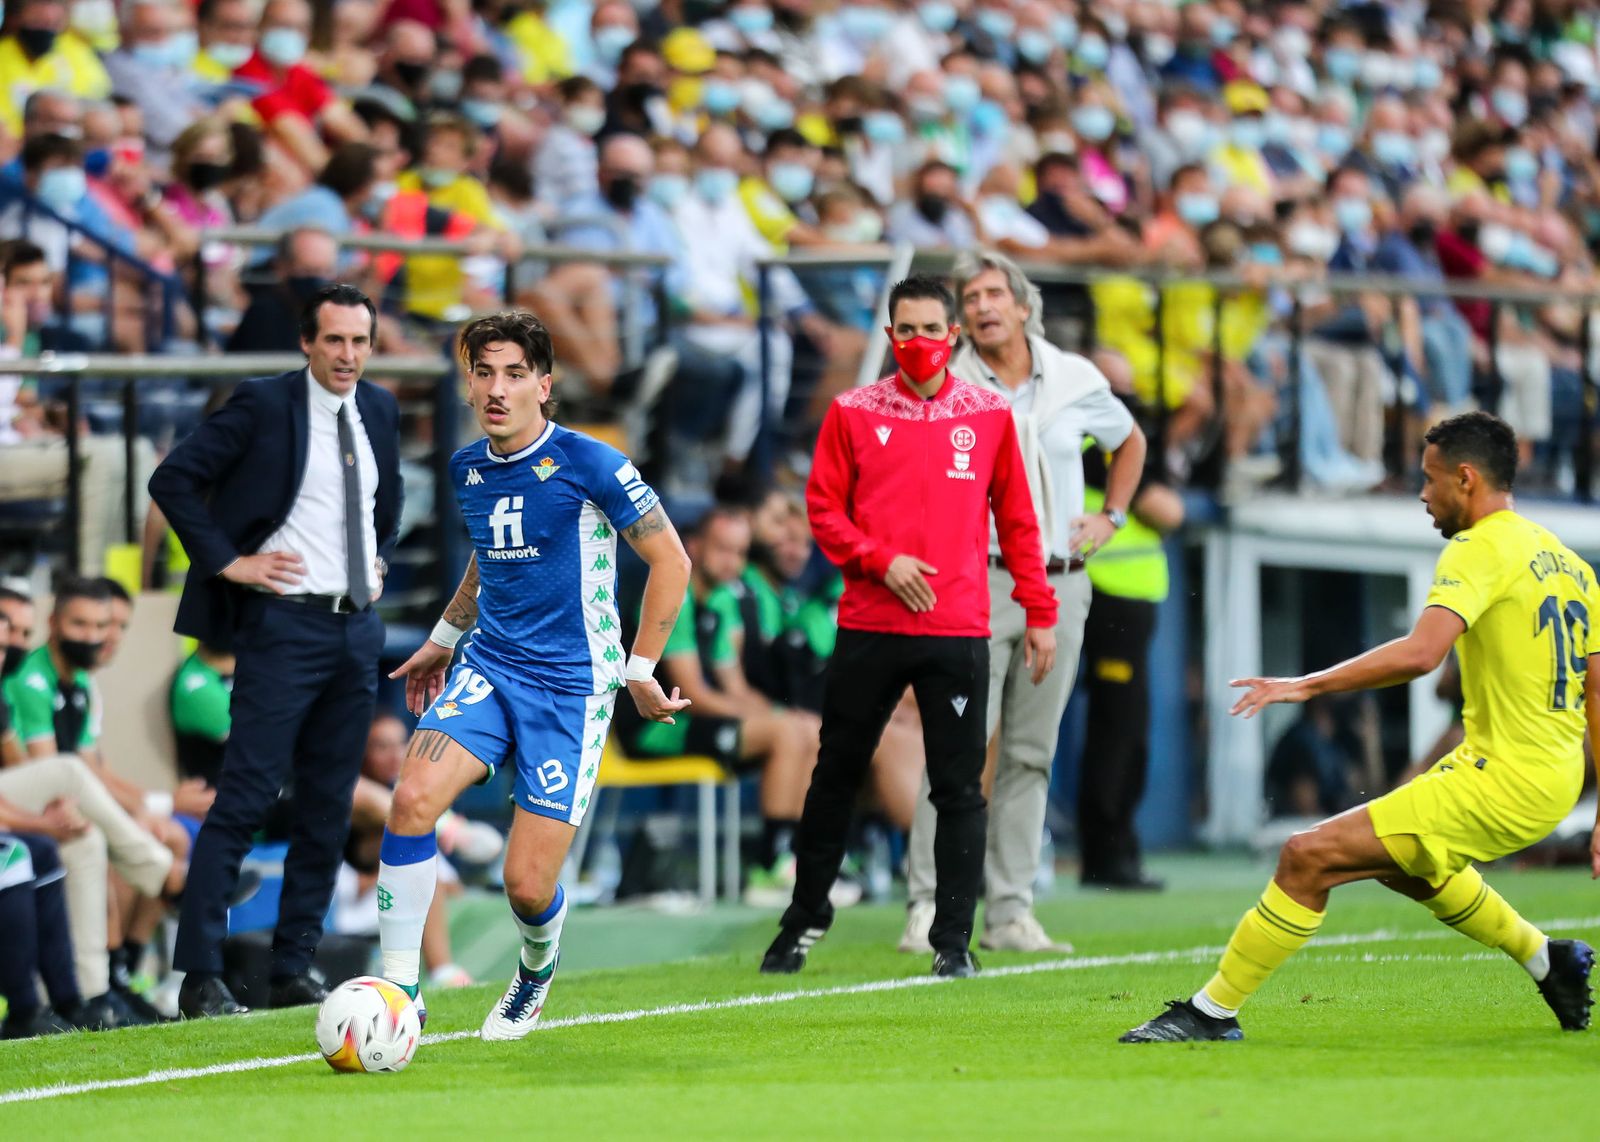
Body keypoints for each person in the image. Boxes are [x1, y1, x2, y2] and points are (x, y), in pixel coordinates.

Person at [1122, 412, 1598, 1043]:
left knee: (1306, 856)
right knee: (1405, 864)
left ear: (1465, 477)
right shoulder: (1567, 562)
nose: (1423, 495)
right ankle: (1547, 959)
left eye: (1429, 480)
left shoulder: (1478, 547)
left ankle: (1212, 1012)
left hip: (1503, 778)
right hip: (1553, 774)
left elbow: (1421, 653)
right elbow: (1595, 688)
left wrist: (1306, 684)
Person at [380, 309, 692, 1040]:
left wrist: (639, 668)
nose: (497, 389)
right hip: (490, 665)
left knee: (527, 886)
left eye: (514, 374)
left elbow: (672, 560)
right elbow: (487, 558)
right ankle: (399, 989)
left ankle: (535, 968)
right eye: (483, 372)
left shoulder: (595, 464)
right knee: (412, 799)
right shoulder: (466, 468)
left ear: (544, 386)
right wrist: (443, 637)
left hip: (572, 688)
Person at [761, 275, 1057, 979]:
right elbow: (824, 512)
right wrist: (880, 560)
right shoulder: (852, 411)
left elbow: (1017, 522)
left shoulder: (988, 415)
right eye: (906, 329)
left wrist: (1040, 612)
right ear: (889, 333)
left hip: (956, 629)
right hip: (869, 624)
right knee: (834, 775)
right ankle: (804, 920)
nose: (919, 342)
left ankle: (953, 941)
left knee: (958, 788)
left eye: (931, 329)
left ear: (951, 335)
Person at [147, 283, 403, 1019]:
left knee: (327, 807)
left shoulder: (380, 409)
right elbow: (174, 479)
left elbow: (386, 507)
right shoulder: (264, 405)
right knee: (247, 798)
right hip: (282, 626)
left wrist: (378, 560)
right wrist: (229, 562)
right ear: (306, 342)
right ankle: (200, 975)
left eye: (360, 341)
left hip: (356, 630)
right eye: (334, 341)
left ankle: (294, 967)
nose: (348, 355)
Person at [901, 250, 1146, 955]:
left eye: (991, 294)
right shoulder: (938, 383)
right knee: (960, 745)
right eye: (969, 297)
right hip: (974, 578)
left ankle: (1011, 911)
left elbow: (1129, 441)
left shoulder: (1074, 375)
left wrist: (1113, 517)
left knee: (1032, 753)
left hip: (1061, 578)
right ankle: (928, 904)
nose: (981, 307)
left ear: (1022, 304)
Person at [1076, 384, 1185, 889]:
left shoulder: (1118, 450)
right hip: (1107, 607)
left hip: (1127, 611)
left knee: (1126, 735)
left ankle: (1115, 849)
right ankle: (1105, 854)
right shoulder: (1096, 453)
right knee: (1115, 736)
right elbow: (1167, 511)